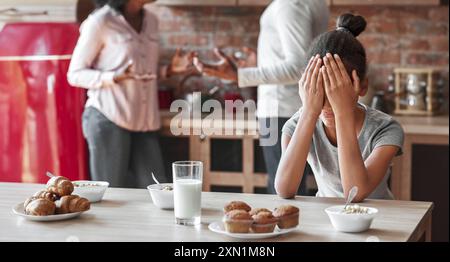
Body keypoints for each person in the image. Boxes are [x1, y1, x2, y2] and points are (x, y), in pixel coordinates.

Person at [193, 0, 329, 194]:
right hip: (290, 110)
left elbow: (300, 67)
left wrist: (238, 75)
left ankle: (285, 226)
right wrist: (258, 63)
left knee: (285, 193)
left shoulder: (290, 4)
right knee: (289, 189)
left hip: (281, 112)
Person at [275, 14, 405, 201]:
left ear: (362, 86)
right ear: (305, 85)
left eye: (336, 91)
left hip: (378, 218)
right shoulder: (297, 126)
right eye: (319, 90)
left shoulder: (385, 130)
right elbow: (284, 189)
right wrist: (309, 112)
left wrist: (342, 112)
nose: (327, 104)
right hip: (326, 216)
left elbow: (355, 193)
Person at [68, 0, 196, 188]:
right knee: (111, 192)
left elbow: (141, 72)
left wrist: (169, 70)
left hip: (144, 122)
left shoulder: (152, 20)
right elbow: (75, 74)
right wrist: (114, 77)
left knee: (157, 189)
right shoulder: (100, 21)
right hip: (109, 117)